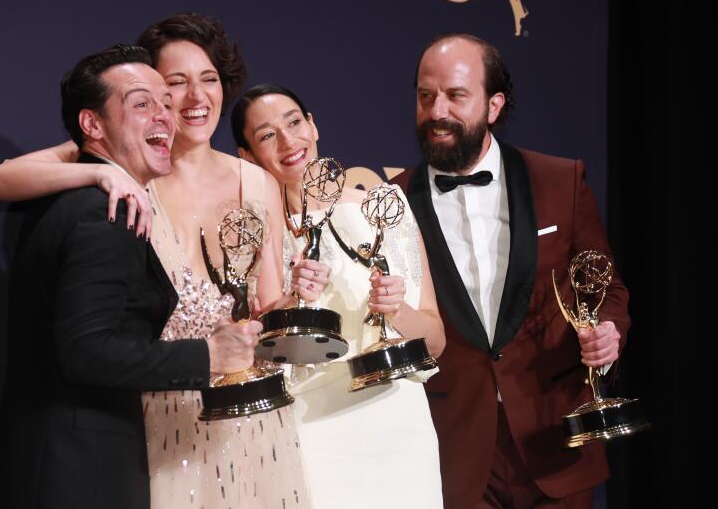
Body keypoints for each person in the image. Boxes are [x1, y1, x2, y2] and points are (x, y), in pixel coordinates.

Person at [0, 16, 311, 508]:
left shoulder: (255, 180)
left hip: (242, 419)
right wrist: (94, 177)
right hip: (153, 420)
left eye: (209, 79)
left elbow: (261, 312)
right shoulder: (116, 165)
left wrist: (296, 299)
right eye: (174, 84)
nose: (194, 98)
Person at [391, 33, 631, 508]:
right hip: (454, 446)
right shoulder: (392, 201)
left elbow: (605, 287)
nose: (437, 111)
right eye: (426, 95)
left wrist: (608, 332)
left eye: (456, 95)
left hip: (556, 438)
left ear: (494, 105)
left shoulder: (561, 181)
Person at [230, 83, 446, 508]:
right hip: (310, 426)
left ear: (313, 126)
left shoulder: (383, 208)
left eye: (294, 122)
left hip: (397, 420)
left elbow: (435, 340)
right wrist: (290, 301)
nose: (289, 141)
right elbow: (246, 353)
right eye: (267, 135)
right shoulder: (251, 236)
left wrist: (395, 308)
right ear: (247, 156)